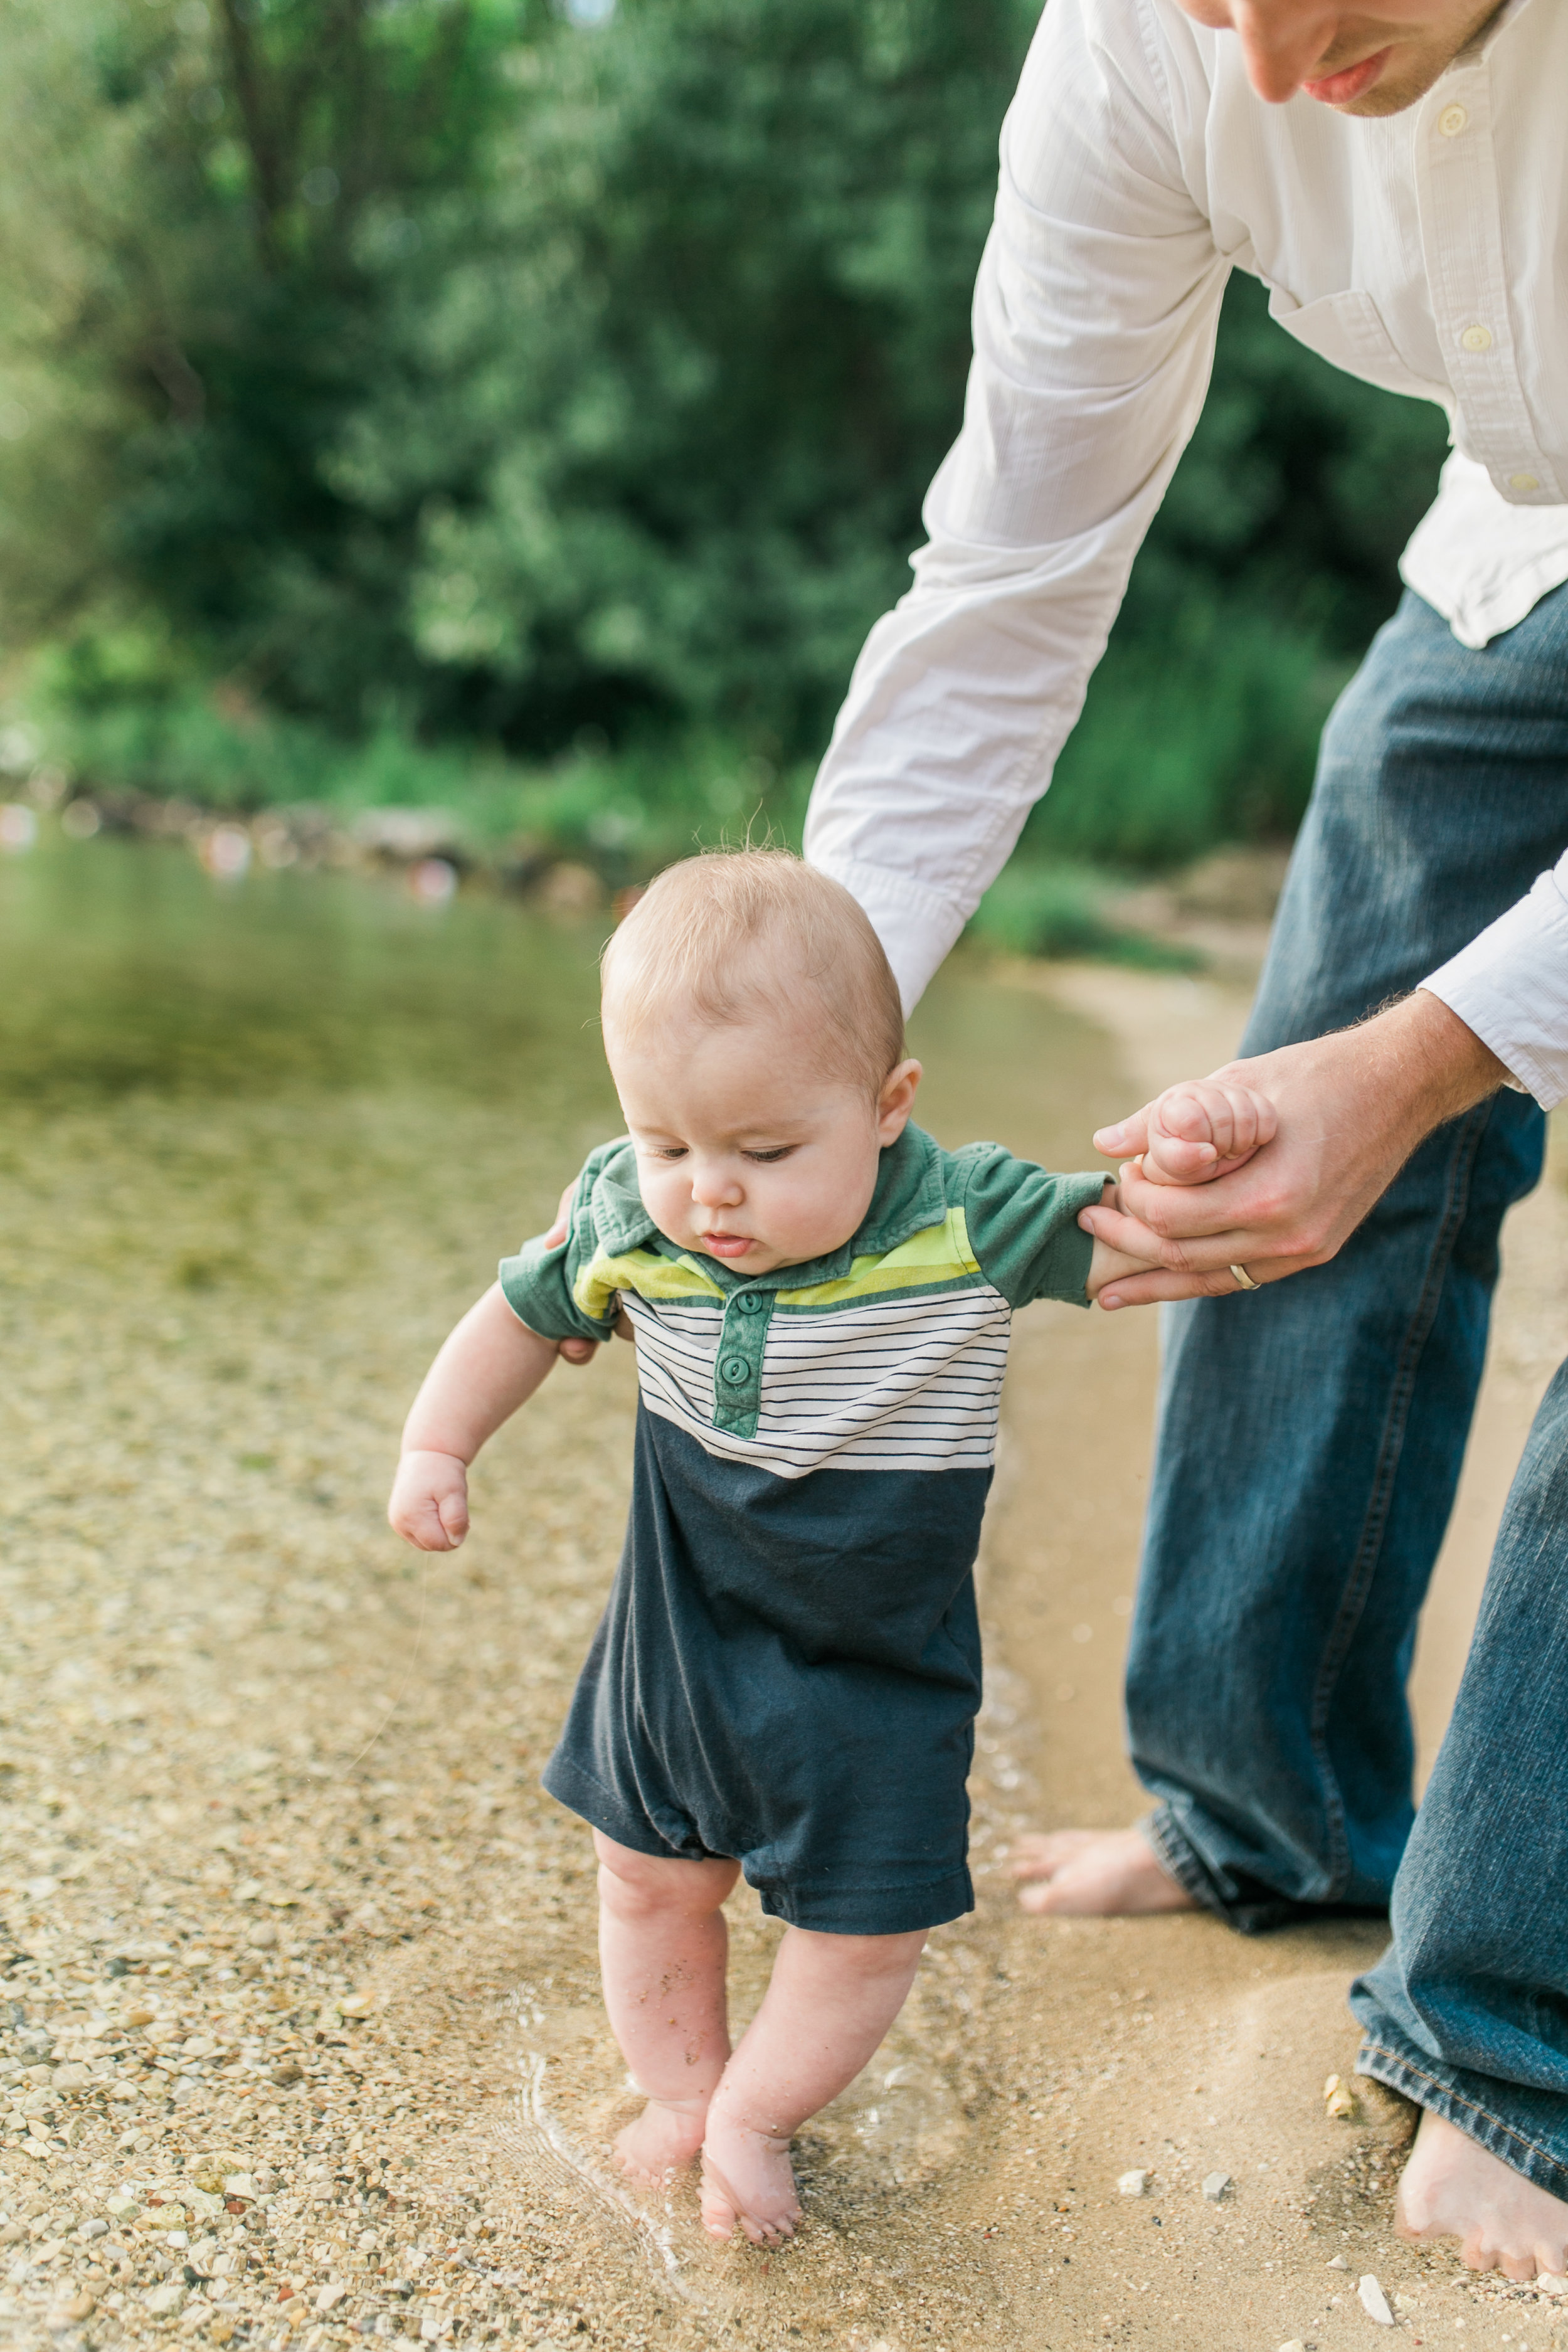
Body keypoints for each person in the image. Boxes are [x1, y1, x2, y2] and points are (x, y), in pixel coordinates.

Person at [798, 0, 1568, 2282]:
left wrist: (1433, 1059)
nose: (1260, 71)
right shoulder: (1146, 53)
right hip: (1516, 550)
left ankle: (1523, 2031)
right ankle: (1268, 1811)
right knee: (1310, 1040)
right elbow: (1010, 581)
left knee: (1383, 1064)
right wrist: (784, 1075)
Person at [388, 850, 1262, 2247]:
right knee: (642, 1873)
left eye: (765, 1152)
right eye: (668, 1144)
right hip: (676, 1641)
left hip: (876, 1665)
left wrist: (1197, 1173)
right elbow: (512, 1310)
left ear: (886, 1105)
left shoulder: (966, 1219)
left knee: (865, 1928)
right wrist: (439, 1446)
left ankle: (758, 2111)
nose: (709, 1195)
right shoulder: (627, 1214)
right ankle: (680, 2090)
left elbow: (1139, 1238)